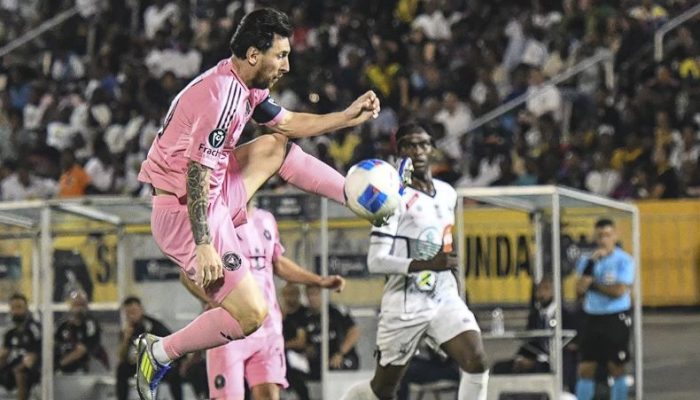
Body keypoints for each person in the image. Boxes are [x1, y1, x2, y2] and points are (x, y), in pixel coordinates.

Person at [134, 7, 380, 400]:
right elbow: (196, 174)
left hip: (213, 190)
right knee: (252, 314)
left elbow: (287, 124)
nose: (286, 64)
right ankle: (160, 351)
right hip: (184, 210)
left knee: (274, 146)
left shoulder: (242, 83)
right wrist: (204, 243)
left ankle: (351, 194)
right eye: (280, 55)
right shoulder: (219, 98)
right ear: (254, 55)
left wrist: (346, 117)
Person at [342, 122, 488, 400]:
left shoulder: (448, 193)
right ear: (399, 152)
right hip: (404, 303)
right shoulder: (390, 197)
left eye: (423, 144)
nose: (417, 150)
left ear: (433, 149)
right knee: (383, 389)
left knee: (476, 360)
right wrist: (426, 265)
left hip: (443, 296)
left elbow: (444, 247)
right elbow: (376, 261)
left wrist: (455, 288)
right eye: (409, 145)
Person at [181, 200, 346, 400]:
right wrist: (216, 301)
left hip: (268, 329)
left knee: (269, 395)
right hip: (229, 331)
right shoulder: (213, 220)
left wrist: (319, 280)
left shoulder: (266, 219)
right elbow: (186, 273)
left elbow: (277, 262)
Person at [575, 219, 635, 400]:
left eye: (607, 235)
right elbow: (579, 290)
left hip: (615, 317)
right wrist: (592, 266)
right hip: (592, 317)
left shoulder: (624, 260)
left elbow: (619, 291)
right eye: (600, 235)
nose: (603, 240)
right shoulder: (588, 261)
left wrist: (593, 285)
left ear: (615, 236)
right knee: (586, 368)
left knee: (615, 366)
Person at [491, 276, 579, 392]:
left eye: (546, 289)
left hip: (558, 359)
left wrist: (541, 360)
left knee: (559, 365)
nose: (540, 293)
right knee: (499, 367)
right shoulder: (535, 316)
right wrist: (521, 358)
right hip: (536, 358)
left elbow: (573, 342)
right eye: (538, 290)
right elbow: (530, 342)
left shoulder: (566, 314)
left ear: (555, 291)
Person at [116, 296, 183, 400]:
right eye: (128, 313)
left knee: (171, 372)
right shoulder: (127, 329)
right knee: (121, 369)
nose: (131, 316)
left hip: (158, 363)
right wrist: (125, 339)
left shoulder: (153, 325)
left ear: (141, 310)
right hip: (137, 365)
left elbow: (169, 343)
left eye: (134, 311)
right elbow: (121, 357)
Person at [304, 285, 360, 381]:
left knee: (338, 369)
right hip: (320, 362)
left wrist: (340, 353)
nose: (312, 298)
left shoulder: (336, 312)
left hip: (342, 357)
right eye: (309, 295)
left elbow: (354, 332)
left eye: (315, 294)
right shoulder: (306, 316)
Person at [0, 294, 41, 400]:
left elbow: (34, 355)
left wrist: (20, 367)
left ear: (26, 308)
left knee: (20, 372)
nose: (16, 311)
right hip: (12, 366)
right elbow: (4, 354)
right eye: (13, 308)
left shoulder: (34, 328)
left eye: (19, 307)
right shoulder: (10, 332)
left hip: (32, 369)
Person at [54, 291, 106, 373]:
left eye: (81, 304)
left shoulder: (90, 324)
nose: (78, 308)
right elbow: (54, 343)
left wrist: (58, 365)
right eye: (76, 305)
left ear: (86, 306)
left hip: (86, 370)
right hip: (64, 371)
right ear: (70, 306)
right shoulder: (64, 325)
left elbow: (81, 351)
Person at [281, 284, 311, 400]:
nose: (290, 298)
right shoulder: (280, 315)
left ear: (299, 295)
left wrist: (282, 345)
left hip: (300, 357)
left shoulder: (303, 314)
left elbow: (301, 341)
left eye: (293, 294)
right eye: (287, 294)